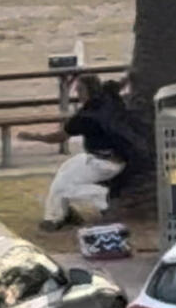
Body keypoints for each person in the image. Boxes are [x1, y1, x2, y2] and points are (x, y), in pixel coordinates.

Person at [29, 74, 139, 230]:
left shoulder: (85, 117)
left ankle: (100, 198)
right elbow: (119, 84)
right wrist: (131, 74)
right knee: (65, 170)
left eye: (80, 90)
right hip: (118, 157)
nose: (78, 94)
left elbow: (59, 137)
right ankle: (61, 213)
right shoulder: (108, 96)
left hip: (103, 163)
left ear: (89, 90)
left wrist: (35, 137)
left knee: (63, 186)